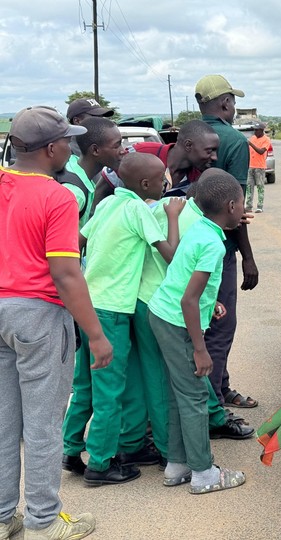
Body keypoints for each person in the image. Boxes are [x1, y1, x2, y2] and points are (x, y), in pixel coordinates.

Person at [0, 106, 112, 540]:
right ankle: (44, 522)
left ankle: (5, 515)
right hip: (38, 316)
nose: (72, 145)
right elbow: (66, 274)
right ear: (51, 149)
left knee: (6, 422)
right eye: (68, 139)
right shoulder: (58, 197)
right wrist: (97, 334)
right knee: (44, 424)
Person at [62, 153, 185, 486]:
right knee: (110, 388)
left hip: (87, 303)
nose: (166, 185)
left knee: (85, 383)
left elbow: (77, 242)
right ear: (146, 185)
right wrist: (173, 215)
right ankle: (100, 464)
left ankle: (71, 449)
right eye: (162, 180)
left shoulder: (107, 205)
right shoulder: (137, 210)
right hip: (113, 311)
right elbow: (171, 255)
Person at [148, 168, 247, 493]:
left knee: (181, 395)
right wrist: (200, 350)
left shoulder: (199, 227)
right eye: (242, 202)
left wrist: (211, 304)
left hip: (162, 313)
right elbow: (189, 300)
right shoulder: (214, 245)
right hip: (176, 320)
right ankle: (204, 473)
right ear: (232, 206)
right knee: (194, 397)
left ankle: (177, 465)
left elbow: (188, 282)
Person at [195, 74, 259, 409]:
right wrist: (247, 256)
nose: (233, 107)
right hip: (218, 249)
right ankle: (213, 408)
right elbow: (234, 208)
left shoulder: (190, 135)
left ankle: (220, 386)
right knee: (220, 326)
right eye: (233, 101)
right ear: (225, 103)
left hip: (186, 247)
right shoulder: (233, 141)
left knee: (203, 325)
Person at [93, 119, 220, 209]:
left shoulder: (198, 180)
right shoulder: (140, 153)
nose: (215, 157)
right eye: (209, 151)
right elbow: (102, 190)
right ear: (188, 145)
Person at [57, 117, 126, 228]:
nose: (123, 151)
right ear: (95, 150)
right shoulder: (75, 193)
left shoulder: (73, 165)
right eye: (116, 145)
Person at [245, 122, 271, 213]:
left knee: (260, 186)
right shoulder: (252, 138)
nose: (255, 132)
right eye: (254, 130)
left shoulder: (266, 140)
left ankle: (260, 206)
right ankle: (249, 206)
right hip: (250, 166)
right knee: (249, 187)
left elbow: (261, 151)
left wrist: (251, 144)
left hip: (260, 167)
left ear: (261, 130)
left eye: (257, 130)